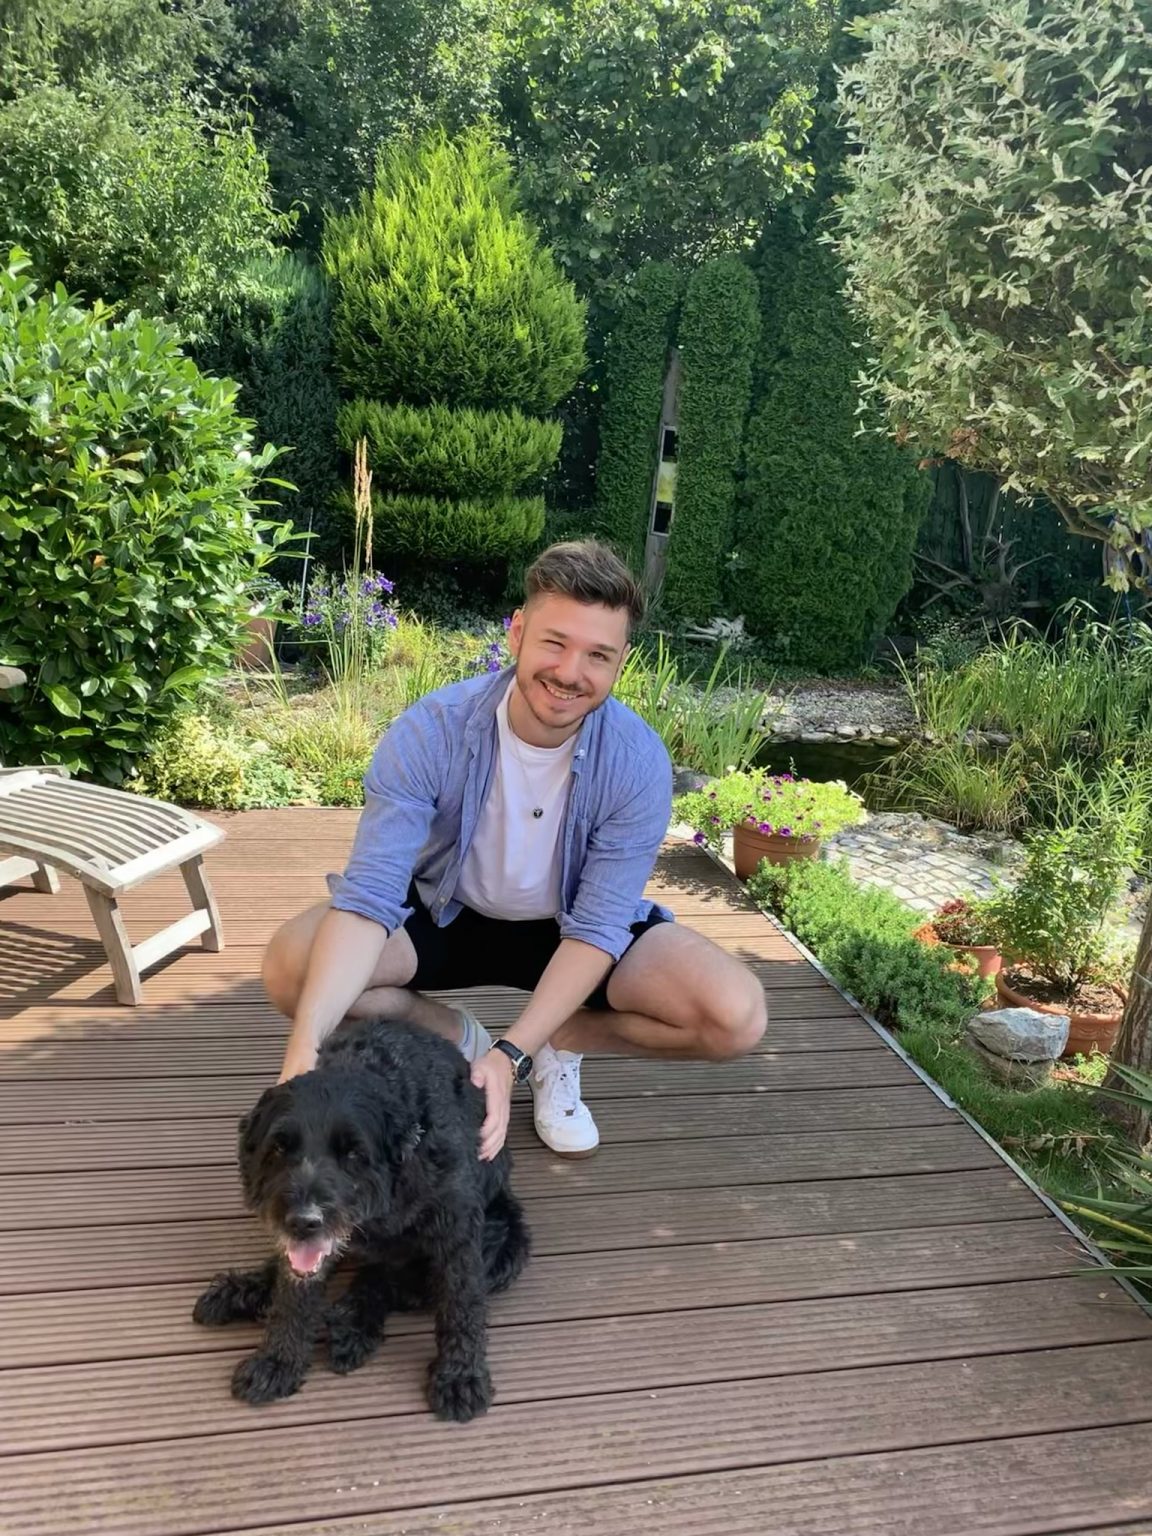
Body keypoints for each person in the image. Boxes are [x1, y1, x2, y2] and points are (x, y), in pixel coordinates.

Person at [263, 539, 767, 1161]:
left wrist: (514, 1054)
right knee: (293, 971)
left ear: (619, 663)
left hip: (568, 931)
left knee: (735, 1015)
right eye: (555, 643)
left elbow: (599, 928)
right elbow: (370, 897)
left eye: (598, 655)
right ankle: (456, 1037)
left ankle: (557, 1040)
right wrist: (304, 1051)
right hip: (447, 912)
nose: (571, 672)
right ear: (518, 633)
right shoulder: (432, 730)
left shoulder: (637, 762)